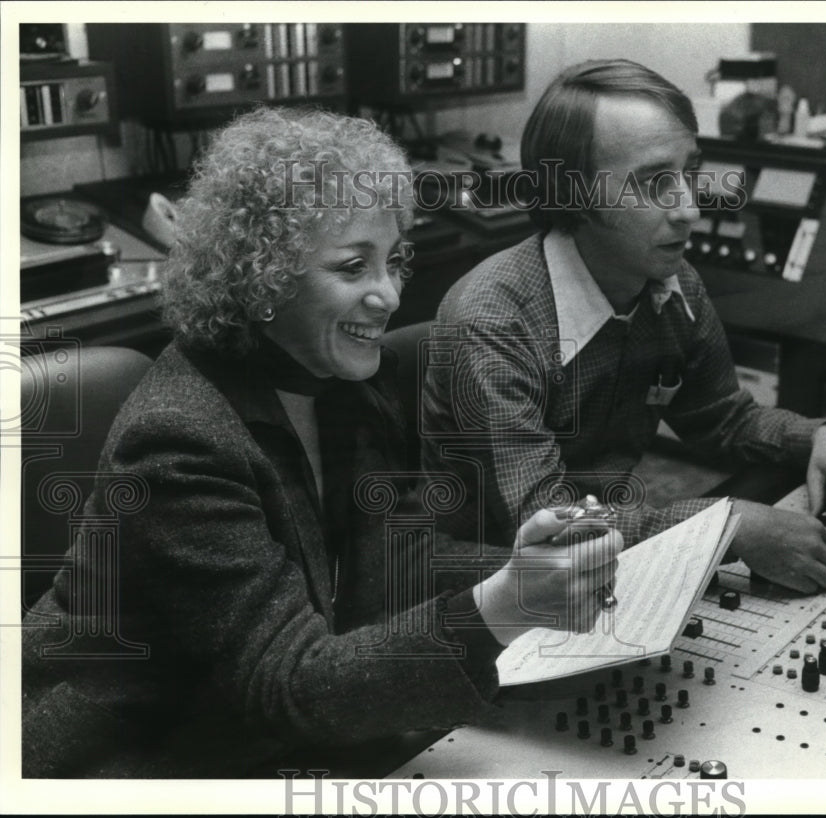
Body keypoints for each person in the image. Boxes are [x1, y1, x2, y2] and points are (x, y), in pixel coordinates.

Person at [20, 107, 621, 778]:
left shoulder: (342, 390)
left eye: (394, 262)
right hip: (134, 759)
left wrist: (529, 564)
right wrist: (505, 605)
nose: (389, 295)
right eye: (352, 268)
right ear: (265, 276)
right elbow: (287, 683)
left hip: (256, 731)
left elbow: (388, 568)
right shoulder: (179, 438)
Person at [421, 59, 826, 596]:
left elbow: (723, 419)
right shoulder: (493, 322)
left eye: (690, 172)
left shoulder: (673, 284)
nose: (689, 208)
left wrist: (819, 434)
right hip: (485, 580)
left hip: (608, 557)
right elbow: (542, 521)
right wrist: (727, 526)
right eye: (654, 182)